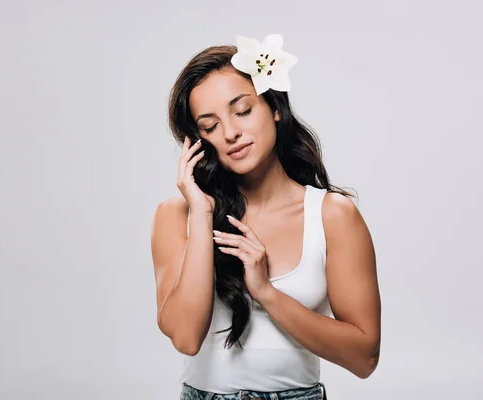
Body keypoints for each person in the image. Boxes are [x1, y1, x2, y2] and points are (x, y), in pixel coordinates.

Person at [151, 34, 381, 400]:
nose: (230, 133)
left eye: (242, 110)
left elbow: (364, 358)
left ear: (274, 107)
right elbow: (185, 337)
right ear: (197, 141)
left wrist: (265, 292)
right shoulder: (178, 215)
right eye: (210, 126)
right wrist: (202, 211)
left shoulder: (332, 215)